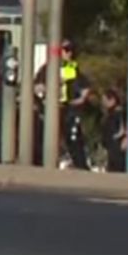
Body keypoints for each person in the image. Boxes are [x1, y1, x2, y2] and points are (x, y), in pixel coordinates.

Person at [35, 39, 92, 169]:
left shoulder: (71, 67)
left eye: (70, 50)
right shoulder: (47, 68)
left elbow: (84, 86)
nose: (69, 53)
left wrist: (80, 99)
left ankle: (80, 166)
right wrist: (47, 89)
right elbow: (37, 86)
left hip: (68, 109)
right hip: (50, 109)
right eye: (66, 50)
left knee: (74, 139)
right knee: (45, 138)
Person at [100, 88, 126, 173]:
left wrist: (119, 136)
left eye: (105, 100)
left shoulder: (118, 114)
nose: (103, 103)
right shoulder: (109, 115)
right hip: (111, 148)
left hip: (116, 147)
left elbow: (122, 128)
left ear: (113, 100)